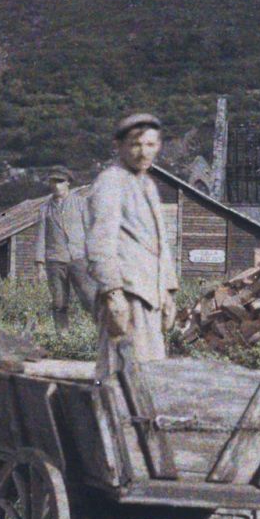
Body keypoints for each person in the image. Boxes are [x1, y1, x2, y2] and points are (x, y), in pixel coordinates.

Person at [85, 113, 177, 373]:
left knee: (149, 373)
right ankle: (107, 413)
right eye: (135, 145)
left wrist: (168, 292)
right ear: (119, 146)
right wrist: (113, 293)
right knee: (118, 372)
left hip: (150, 297)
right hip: (126, 296)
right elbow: (100, 242)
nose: (143, 152)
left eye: (150, 145)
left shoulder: (147, 185)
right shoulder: (111, 182)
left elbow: (160, 245)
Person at [39, 168, 95, 325]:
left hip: (78, 258)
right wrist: (39, 265)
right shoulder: (45, 208)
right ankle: (62, 336)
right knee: (59, 302)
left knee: (89, 298)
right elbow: (41, 236)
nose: (56, 186)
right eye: (53, 182)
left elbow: (90, 230)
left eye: (60, 181)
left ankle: (99, 332)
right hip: (55, 260)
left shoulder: (81, 203)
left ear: (68, 183)